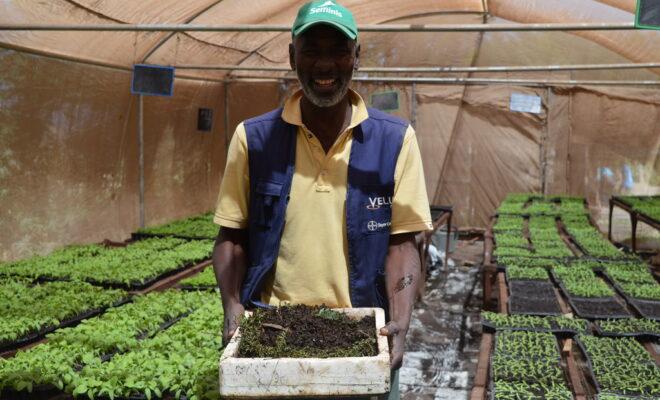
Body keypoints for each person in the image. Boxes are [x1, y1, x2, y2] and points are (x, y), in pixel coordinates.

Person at [212, 1, 432, 397]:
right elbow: (231, 236)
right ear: (293, 55)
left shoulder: (395, 140)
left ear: (356, 57)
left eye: (338, 51)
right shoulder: (254, 139)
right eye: (312, 50)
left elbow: (402, 243)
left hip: (363, 334)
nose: (325, 65)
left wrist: (401, 320)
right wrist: (231, 306)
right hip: (273, 333)